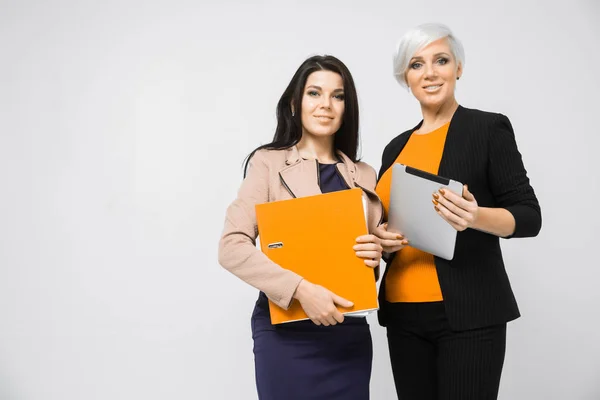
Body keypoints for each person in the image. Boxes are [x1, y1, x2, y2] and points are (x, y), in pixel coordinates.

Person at [373, 23, 542, 400]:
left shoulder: (487, 129)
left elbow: (529, 216)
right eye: (417, 64)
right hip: (402, 316)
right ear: (406, 77)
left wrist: (475, 216)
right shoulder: (394, 148)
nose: (430, 73)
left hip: (469, 316)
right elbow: (388, 230)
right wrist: (384, 241)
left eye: (441, 60)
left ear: (458, 68)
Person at [218, 55, 384, 400]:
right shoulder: (267, 162)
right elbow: (231, 247)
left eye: (337, 96)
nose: (326, 105)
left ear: (347, 107)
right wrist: (300, 290)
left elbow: (364, 266)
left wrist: (376, 255)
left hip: (348, 334)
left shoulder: (365, 174)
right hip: (287, 334)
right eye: (314, 93)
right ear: (295, 104)